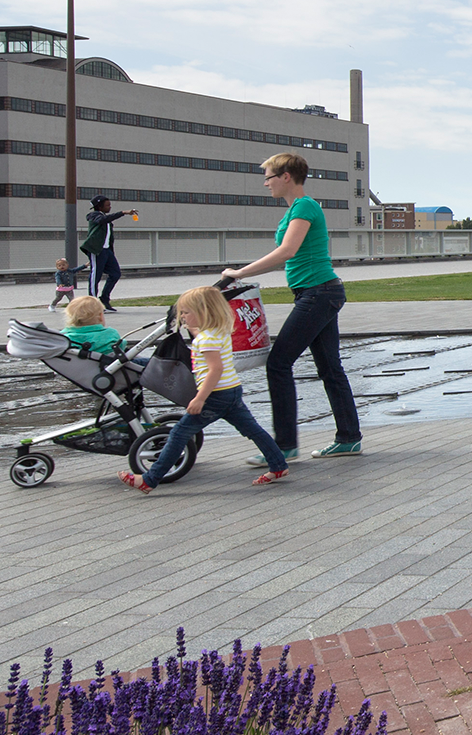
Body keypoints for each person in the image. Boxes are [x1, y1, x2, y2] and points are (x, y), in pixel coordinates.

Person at [221, 153, 363, 461]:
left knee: (278, 364)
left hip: (319, 293)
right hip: (316, 294)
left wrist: (239, 272)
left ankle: (284, 446)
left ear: (287, 177)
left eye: (269, 176)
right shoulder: (295, 210)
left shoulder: (304, 206)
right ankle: (349, 438)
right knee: (330, 369)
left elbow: (288, 250)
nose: (266, 183)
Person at [120, 285, 288, 492]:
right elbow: (205, 342)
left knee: (179, 433)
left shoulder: (205, 339)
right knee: (252, 430)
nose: (182, 317)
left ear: (204, 313)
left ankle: (149, 479)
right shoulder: (217, 331)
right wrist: (190, 327)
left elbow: (215, 370)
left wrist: (200, 398)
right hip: (232, 390)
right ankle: (278, 465)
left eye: (186, 312)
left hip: (215, 396)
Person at [82, 196, 136, 311]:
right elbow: (101, 220)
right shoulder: (94, 215)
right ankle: (92, 303)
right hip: (97, 250)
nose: (110, 207)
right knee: (95, 276)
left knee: (115, 273)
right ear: (99, 206)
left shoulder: (105, 217)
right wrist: (123, 212)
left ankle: (104, 299)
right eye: (107, 205)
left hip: (107, 251)